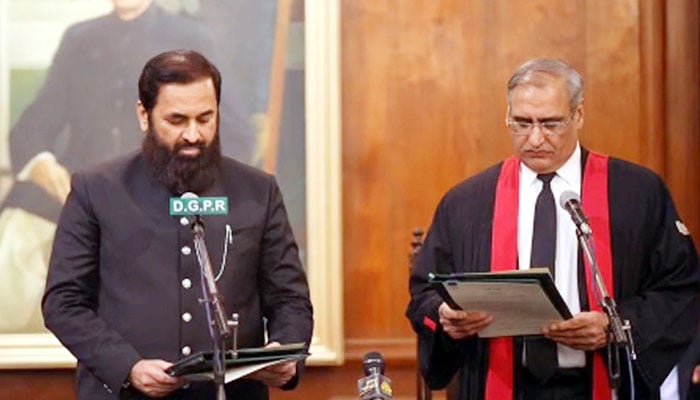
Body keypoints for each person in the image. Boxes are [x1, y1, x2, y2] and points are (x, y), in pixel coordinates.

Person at [406, 58, 700, 399]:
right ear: (507, 116)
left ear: (578, 115)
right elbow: (424, 294)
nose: (535, 138)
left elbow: (681, 288)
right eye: (521, 123)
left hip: (603, 382)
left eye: (550, 123)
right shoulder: (467, 202)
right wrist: (446, 317)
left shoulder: (636, 193)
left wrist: (615, 326)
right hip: (499, 382)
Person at [42, 50, 313, 400]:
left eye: (205, 118)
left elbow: (290, 298)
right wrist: (128, 366)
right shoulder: (97, 190)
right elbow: (63, 302)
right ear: (144, 115)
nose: (193, 135)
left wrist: (285, 353)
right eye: (177, 120)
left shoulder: (257, 191)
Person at [0, 0, 251, 334]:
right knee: (15, 239)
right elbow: (35, 123)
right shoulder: (79, 38)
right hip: (79, 191)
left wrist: (183, 179)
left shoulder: (191, 36)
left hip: (163, 192)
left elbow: (232, 133)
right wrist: (42, 163)